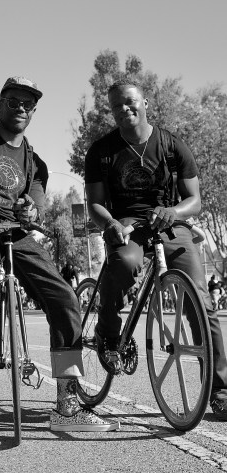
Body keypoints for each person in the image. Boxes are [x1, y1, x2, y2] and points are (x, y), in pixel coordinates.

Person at [0, 76, 119, 452]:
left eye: (28, 104)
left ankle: (66, 401)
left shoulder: (35, 162)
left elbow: (36, 202)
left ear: (34, 112)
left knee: (64, 297)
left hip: (15, 235)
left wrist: (31, 207)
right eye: (14, 100)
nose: (21, 108)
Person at [84, 78, 227, 418]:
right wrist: (112, 225)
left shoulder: (172, 145)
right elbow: (95, 205)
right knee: (125, 263)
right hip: (128, 227)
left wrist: (172, 212)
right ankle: (107, 329)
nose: (124, 109)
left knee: (202, 305)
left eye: (130, 102)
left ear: (145, 102)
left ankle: (220, 390)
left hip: (170, 224)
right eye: (116, 105)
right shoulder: (101, 151)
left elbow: (194, 202)